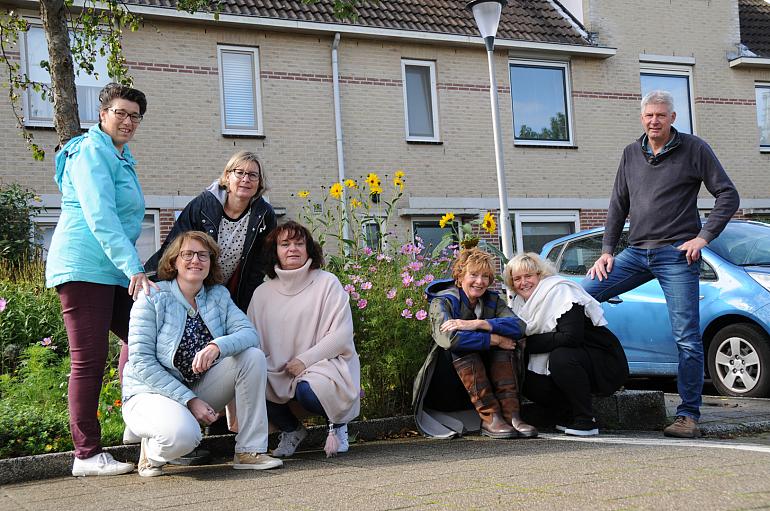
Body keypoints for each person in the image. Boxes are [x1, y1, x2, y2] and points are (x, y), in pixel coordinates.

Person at [583, 90, 740, 438]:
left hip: (676, 255)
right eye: (649, 115)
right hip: (635, 253)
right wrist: (608, 250)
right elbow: (617, 205)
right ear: (642, 118)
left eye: (661, 115)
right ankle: (593, 384)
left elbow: (728, 194)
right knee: (579, 297)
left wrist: (703, 237)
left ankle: (688, 416)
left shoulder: (694, 149)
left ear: (672, 118)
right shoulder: (630, 153)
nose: (654, 121)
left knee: (686, 336)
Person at [45, 83, 158, 477]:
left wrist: (129, 266)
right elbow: (101, 217)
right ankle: (86, 454)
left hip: (111, 269)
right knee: (88, 362)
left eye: (134, 116)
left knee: (146, 338)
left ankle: (136, 415)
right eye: (120, 113)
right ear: (103, 113)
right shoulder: (92, 151)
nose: (127, 121)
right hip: (84, 267)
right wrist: (134, 268)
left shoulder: (120, 156)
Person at [121, 231, 282, 476]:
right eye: (188, 254)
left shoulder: (218, 296)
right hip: (150, 393)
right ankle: (151, 450)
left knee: (251, 356)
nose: (195, 260)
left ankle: (250, 450)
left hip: (197, 387)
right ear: (174, 261)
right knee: (185, 438)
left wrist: (217, 346)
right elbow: (142, 362)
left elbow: (250, 335)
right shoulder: (152, 296)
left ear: (211, 262)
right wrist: (190, 400)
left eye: (203, 255)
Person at [247, 221, 360, 458]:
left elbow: (341, 335)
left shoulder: (327, 282)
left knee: (309, 391)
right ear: (274, 251)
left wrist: (305, 360)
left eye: (299, 243)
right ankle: (292, 430)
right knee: (248, 382)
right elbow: (252, 338)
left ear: (309, 248)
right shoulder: (262, 293)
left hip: (324, 365)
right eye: (285, 244)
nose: (293, 249)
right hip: (278, 369)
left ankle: (337, 425)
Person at [413, 248, 537, 439]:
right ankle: (490, 418)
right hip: (446, 385)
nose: (480, 282)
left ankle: (510, 415)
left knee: (506, 347)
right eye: (474, 275)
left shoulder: (493, 300)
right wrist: (493, 338)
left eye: (485, 276)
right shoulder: (442, 301)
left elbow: (519, 327)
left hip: (483, 381)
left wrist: (479, 323)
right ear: (460, 275)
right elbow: (449, 339)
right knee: (464, 347)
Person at [505, 253, 628, 436]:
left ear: (540, 275)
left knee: (561, 356)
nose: (523, 282)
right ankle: (566, 413)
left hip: (600, 360)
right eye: (517, 279)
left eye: (528, 276)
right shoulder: (518, 304)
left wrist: (525, 343)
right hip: (570, 360)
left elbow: (571, 337)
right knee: (523, 374)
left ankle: (586, 420)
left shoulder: (561, 291)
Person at [146, 151, 276, 312]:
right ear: (228, 176)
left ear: (260, 182)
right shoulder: (204, 204)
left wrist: (244, 305)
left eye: (253, 175)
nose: (245, 179)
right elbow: (174, 246)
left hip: (229, 292)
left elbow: (258, 265)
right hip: (188, 286)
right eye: (239, 173)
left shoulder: (264, 215)